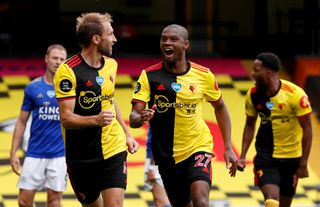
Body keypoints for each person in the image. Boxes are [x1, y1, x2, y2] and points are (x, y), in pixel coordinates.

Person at [129, 24, 238, 207]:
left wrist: (228, 146)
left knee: (201, 201)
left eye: (173, 39)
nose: (166, 43)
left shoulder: (204, 75)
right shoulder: (149, 76)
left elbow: (220, 107)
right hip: (166, 155)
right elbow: (133, 116)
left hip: (198, 147)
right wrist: (140, 118)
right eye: (164, 39)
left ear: (186, 45)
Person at [53, 12, 139, 207]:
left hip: (113, 148)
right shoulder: (68, 71)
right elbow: (66, 118)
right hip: (80, 156)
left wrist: (127, 134)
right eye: (111, 34)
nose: (115, 39)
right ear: (96, 39)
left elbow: (109, 99)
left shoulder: (111, 65)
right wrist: (96, 120)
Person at [237, 52, 313, 207]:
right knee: (271, 200)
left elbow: (308, 129)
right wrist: (243, 155)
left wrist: (303, 163)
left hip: (292, 158)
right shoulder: (252, 95)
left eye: (256, 70)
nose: (252, 73)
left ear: (269, 73)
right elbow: (250, 124)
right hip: (266, 157)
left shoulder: (295, 95)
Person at [10, 44, 68, 207]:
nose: (58, 62)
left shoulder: (70, 89)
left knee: (54, 202)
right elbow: (21, 121)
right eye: (55, 58)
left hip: (59, 154)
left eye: (62, 59)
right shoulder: (33, 88)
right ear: (46, 59)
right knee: (23, 202)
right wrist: (13, 152)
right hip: (34, 153)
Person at [144, 128, 171, 207]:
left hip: (159, 159)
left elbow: (159, 137)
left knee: (161, 202)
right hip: (161, 157)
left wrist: (152, 167)